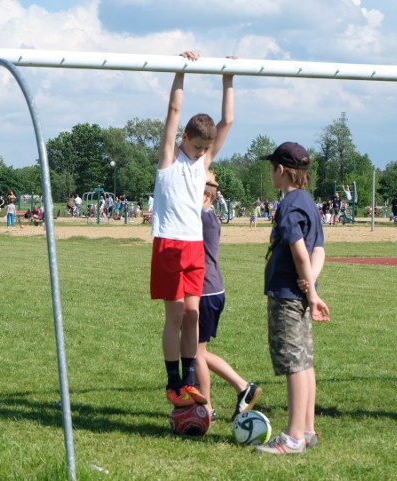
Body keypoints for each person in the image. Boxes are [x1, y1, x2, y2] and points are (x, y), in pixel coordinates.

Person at [150, 50, 234, 410]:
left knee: (193, 316)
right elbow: (173, 112)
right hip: (169, 242)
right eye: (197, 147)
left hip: (194, 246)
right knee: (174, 316)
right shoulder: (170, 159)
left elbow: (227, 121)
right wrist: (180, 70)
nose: (201, 154)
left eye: (205, 149)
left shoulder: (203, 163)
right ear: (185, 138)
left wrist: (229, 77)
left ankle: (188, 382)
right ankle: (173, 383)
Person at [254, 142, 329, 455]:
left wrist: (310, 292)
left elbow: (299, 250)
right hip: (299, 293)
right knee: (304, 362)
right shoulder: (308, 202)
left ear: (280, 170)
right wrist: (311, 283)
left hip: (288, 296)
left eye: (271, 167)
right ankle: (307, 429)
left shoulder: (288, 204)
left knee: (293, 366)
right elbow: (319, 251)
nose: (270, 172)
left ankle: (293, 437)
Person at [196, 170, 261, 422]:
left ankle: (207, 408)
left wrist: (200, 172)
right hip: (212, 289)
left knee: (195, 353)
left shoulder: (201, 216)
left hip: (205, 291)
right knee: (196, 350)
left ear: (204, 195)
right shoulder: (209, 216)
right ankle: (243, 388)